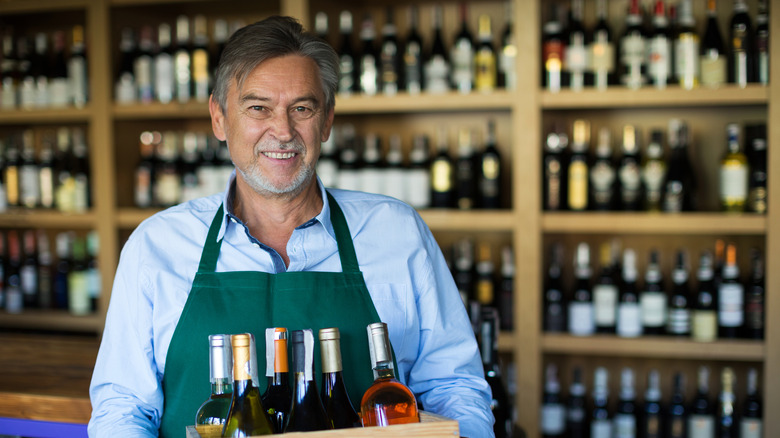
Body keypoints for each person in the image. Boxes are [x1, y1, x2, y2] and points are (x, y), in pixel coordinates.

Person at [88, 16, 493, 438]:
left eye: (301, 108)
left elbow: (455, 387)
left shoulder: (398, 233)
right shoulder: (156, 245)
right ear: (219, 118)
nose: (282, 132)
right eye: (258, 108)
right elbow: (123, 408)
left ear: (327, 121)